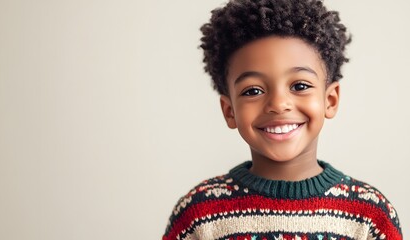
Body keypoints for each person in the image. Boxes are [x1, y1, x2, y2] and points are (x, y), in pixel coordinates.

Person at [162, 0, 403, 239]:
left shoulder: (370, 215)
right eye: (253, 91)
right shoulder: (198, 216)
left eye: (299, 86)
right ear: (229, 111)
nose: (278, 104)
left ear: (330, 100)